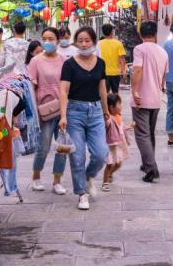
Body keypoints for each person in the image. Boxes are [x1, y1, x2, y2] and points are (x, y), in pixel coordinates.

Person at [59, 27, 109, 210]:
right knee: (77, 155)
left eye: (87, 40)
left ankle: (88, 176)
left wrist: (106, 112)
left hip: (95, 111)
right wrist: (63, 115)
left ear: (94, 42)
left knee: (100, 153)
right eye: (80, 40)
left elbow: (102, 89)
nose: (84, 44)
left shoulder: (101, 63)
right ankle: (81, 194)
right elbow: (63, 91)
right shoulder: (69, 64)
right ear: (76, 43)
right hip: (74, 112)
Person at [27, 28, 68, 195]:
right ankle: (36, 176)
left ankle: (57, 180)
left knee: (63, 146)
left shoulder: (65, 60)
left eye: (51, 38)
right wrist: (34, 110)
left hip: (63, 108)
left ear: (58, 41)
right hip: (44, 109)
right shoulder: (36, 61)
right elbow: (32, 87)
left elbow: (68, 85)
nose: (47, 42)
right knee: (43, 146)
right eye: (44, 38)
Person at [131, 21, 169, 183]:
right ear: (155, 34)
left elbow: (137, 69)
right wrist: (160, 88)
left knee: (142, 134)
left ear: (141, 34)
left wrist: (135, 90)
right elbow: (164, 75)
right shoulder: (163, 52)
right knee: (150, 133)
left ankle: (151, 167)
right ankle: (147, 163)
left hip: (142, 97)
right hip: (156, 97)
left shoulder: (139, 49)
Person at [101, 92, 130, 191]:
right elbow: (107, 125)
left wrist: (128, 132)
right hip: (110, 145)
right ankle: (105, 182)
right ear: (111, 107)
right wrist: (106, 115)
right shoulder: (108, 119)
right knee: (109, 164)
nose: (121, 106)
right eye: (119, 104)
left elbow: (122, 128)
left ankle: (110, 174)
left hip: (118, 145)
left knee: (118, 164)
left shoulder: (118, 116)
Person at [98, 24, 127, 94]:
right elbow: (122, 60)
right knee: (116, 92)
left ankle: (105, 105)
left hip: (103, 73)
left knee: (104, 93)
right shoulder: (118, 43)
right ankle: (116, 105)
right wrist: (124, 72)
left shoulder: (98, 44)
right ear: (112, 31)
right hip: (115, 73)